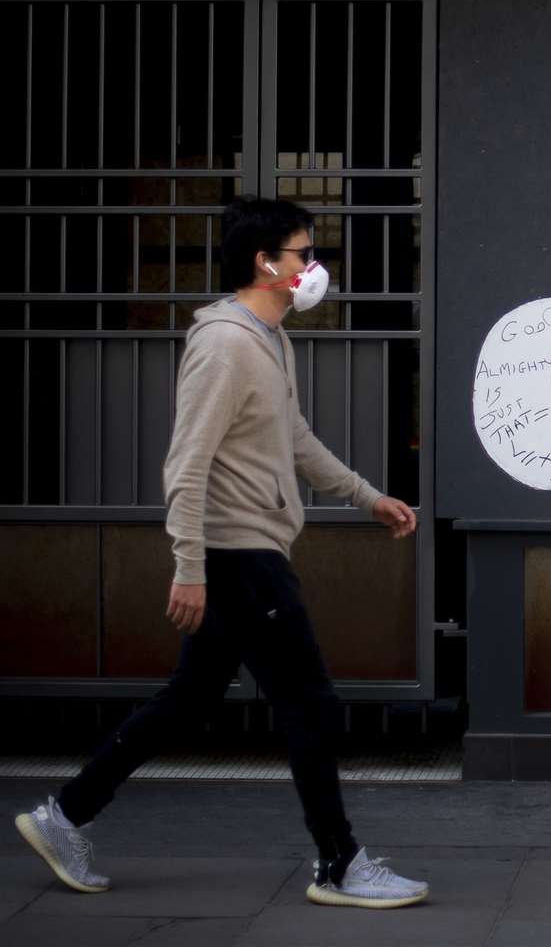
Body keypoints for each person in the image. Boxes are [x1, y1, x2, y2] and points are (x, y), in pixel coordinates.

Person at [13, 197, 429, 909]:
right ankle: (339, 864)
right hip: (239, 556)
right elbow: (186, 464)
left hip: (246, 550)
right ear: (266, 263)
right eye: (304, 253)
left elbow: (293, 438)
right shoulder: (225, 345)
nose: (314, 267)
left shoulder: (269, 341)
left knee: (190, 698)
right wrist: (189, 567)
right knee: (309, 703)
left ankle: (63, 815)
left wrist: (367, 497)